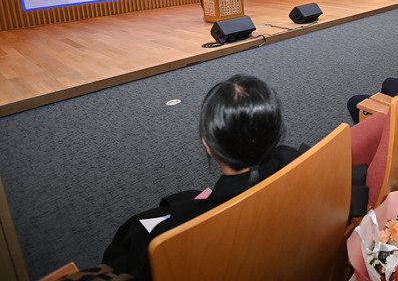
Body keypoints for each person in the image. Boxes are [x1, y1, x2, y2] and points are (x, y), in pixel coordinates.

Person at [101, 75, 299, 280]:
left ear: (208, 144)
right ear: (275, 129)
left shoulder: (176, 233)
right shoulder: (292, 157)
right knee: (187, 196)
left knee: (134, 229)